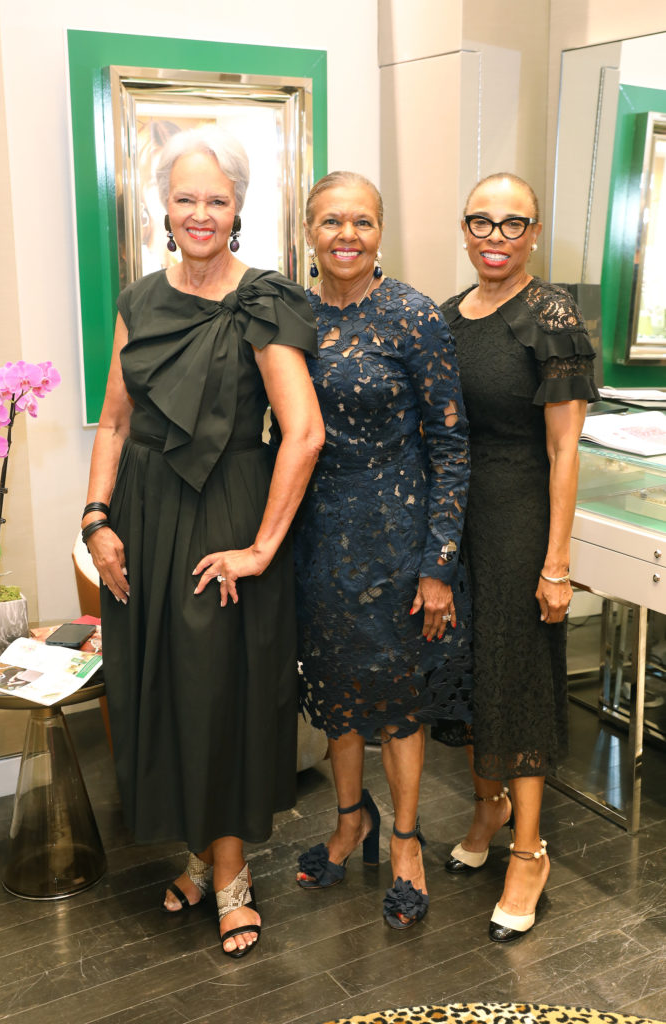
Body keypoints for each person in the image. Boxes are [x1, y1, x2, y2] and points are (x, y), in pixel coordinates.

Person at [82, 126, 324, 958]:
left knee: (219, 693)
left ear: (238, 207)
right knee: (163, 688)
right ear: (163, 203)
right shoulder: (139, 301)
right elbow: (115, 422)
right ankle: (195, 853)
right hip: (144, 517)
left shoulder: (265, 301)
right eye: (185, 197)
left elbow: (302, 433)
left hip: (228, 512)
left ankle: (230, 875)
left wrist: (260, 549)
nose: (199, 213)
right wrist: (96, 518)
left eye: (215, 200)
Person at [292, 171, 472, 929]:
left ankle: (403, 840)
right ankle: (349, 821)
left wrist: (437, 566)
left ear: (380, 231)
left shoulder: (413, 315)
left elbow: (452, 447)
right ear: (308, 231)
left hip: (398, 541)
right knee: (336, 692)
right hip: (316, 539)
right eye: (331, 221)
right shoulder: (292, 314)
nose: (346, 235)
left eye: (361, 222)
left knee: (398, 705)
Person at [436, 172, 599, 941]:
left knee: (517, 678)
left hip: (519, 521)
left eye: (512, 223)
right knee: (468, 669)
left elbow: (564, 450)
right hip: (455, 518)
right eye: (481, 221)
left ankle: (529, 852)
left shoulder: (550, 316)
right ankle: (487, 808)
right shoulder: (447, 316)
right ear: (464, 229)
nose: (495, 237)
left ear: (533, 233)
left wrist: (555, 563)